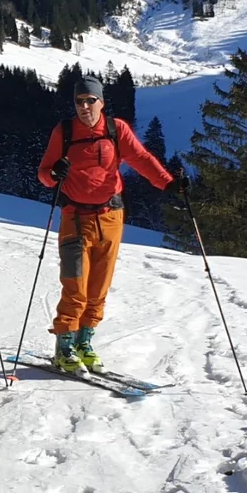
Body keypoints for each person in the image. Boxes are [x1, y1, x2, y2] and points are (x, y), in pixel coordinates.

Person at [36, 76, 184, 373]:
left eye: (91, 101)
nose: (85, 107)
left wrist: (168, 184)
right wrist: (55, 172)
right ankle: (65, 347)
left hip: (111, 218)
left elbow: (140, 158)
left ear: (101, 102)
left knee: (99, 288)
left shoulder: (117, 130)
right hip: (75, 219)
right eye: (79, 101)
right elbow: (44, 174)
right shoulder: (64, 132)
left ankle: (84, 343)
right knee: (75, 285)